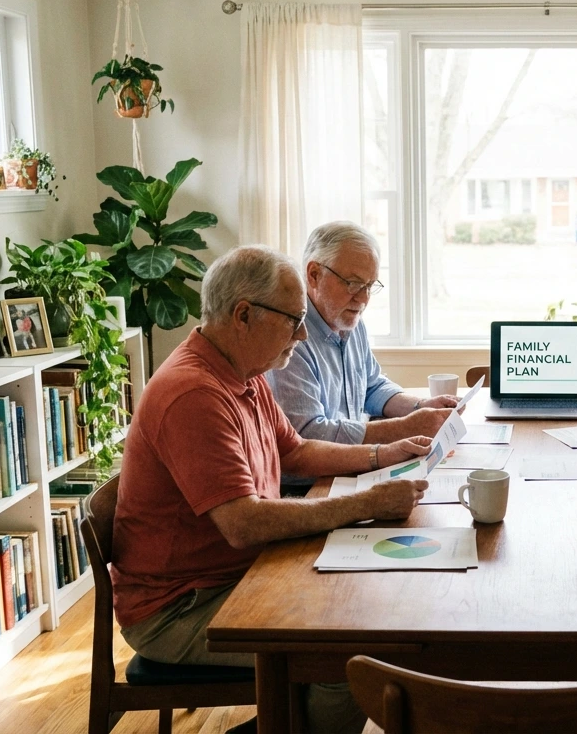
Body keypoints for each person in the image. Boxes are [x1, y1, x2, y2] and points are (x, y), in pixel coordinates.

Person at [113, 245, 433, 734]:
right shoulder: (195, 393)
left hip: (235, 574)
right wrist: (364, 504)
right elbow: (243, 523)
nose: (303, 334)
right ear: (243, 315)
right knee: (347, 655)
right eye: (293, 320)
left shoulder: (242, 369)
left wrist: (382, 455)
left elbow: (297, 451)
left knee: (367, 607)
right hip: (180, 608)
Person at [268, 223, 458, 472]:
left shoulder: (350, 321)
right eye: (354, 284)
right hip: (314, 483)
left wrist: (420, 407)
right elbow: (308, 436)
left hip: (357, 467)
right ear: (314, 274)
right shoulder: (292, 339)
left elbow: (372, 386)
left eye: (370, 286)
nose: (364, 298)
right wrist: (406, 427)